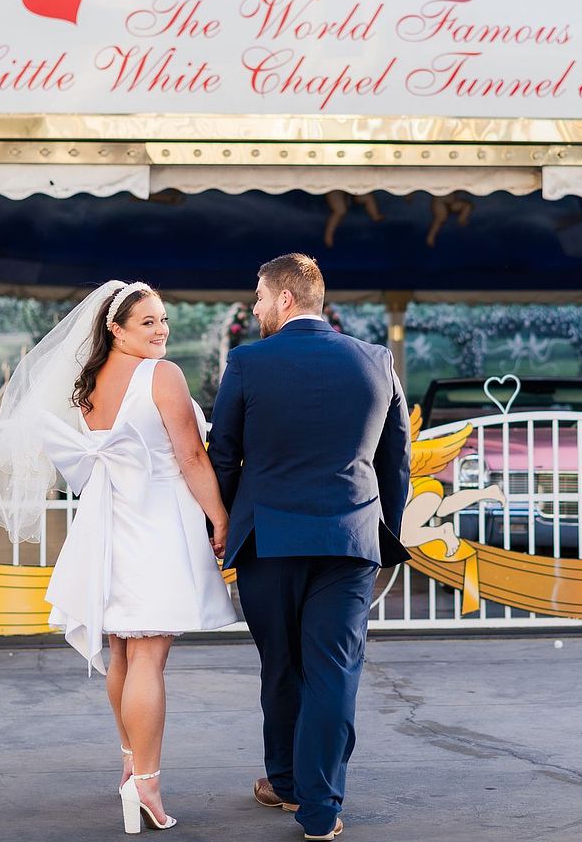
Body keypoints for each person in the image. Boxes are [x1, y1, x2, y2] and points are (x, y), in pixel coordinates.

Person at [0, 280, 236, 834]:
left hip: (107, 523)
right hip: (155, 522)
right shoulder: (161, 376)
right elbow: (192, 457)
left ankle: (130, 763)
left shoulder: (88, 383)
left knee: (123, 652)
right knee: (148, 657)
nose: (161, 330)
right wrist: (219, 517)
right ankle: (145, 782)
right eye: (148, 321)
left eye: (163, 319)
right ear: (115, 328)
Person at [209, 254, 412, 841]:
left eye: (259, 297)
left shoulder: (247, 362)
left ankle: (286, 782)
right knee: (334, 670)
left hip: (268, 540)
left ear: (286, 299)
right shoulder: (377, 361)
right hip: (350, 540)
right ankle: (319, 807)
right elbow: (395, 459)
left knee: (282, 666)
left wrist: (219, 525)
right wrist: (384, 529)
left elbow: (224, 455)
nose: (255, 308)